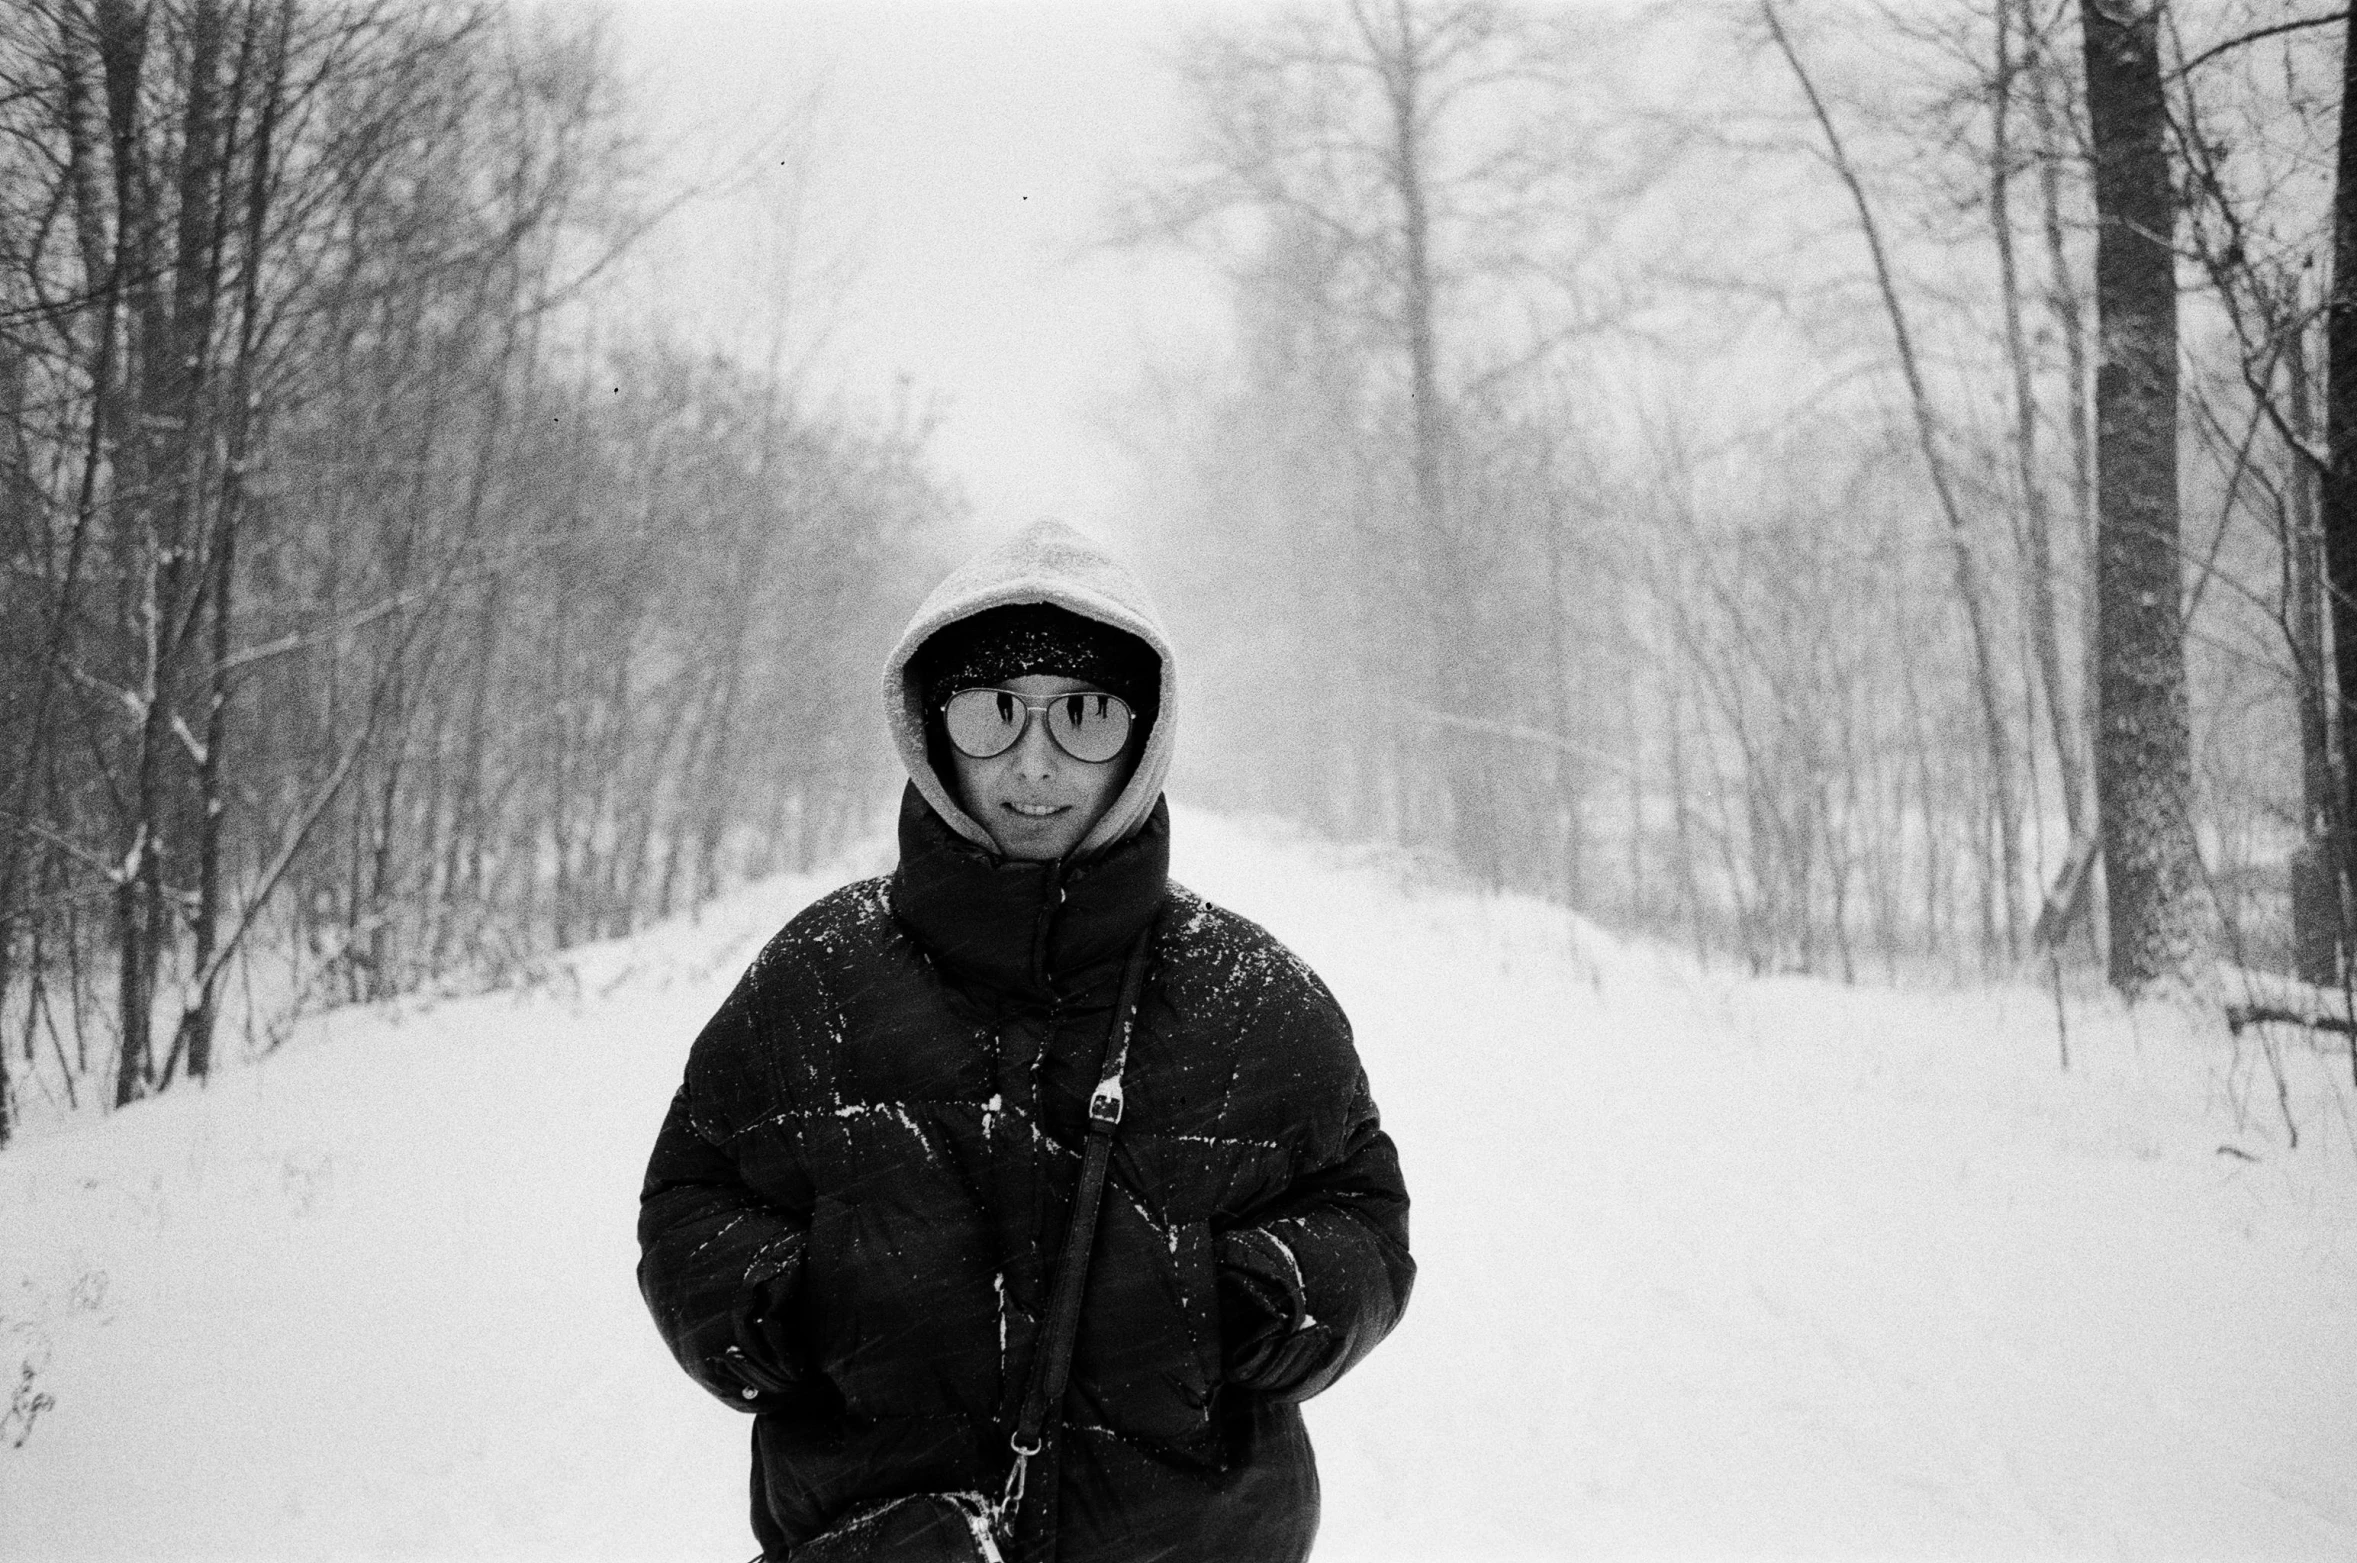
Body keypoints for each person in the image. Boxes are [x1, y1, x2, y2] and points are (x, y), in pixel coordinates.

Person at [637, 519, 1414, 1562]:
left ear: (1142, 736)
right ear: (930, 725)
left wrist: (1254, 1300)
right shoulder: (816, 978)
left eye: (1084, 716)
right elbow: (691, 1200)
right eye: (992, 712)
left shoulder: (1253, 997)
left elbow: (1364, 1221)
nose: (1035, 765)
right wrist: (782, 1306)